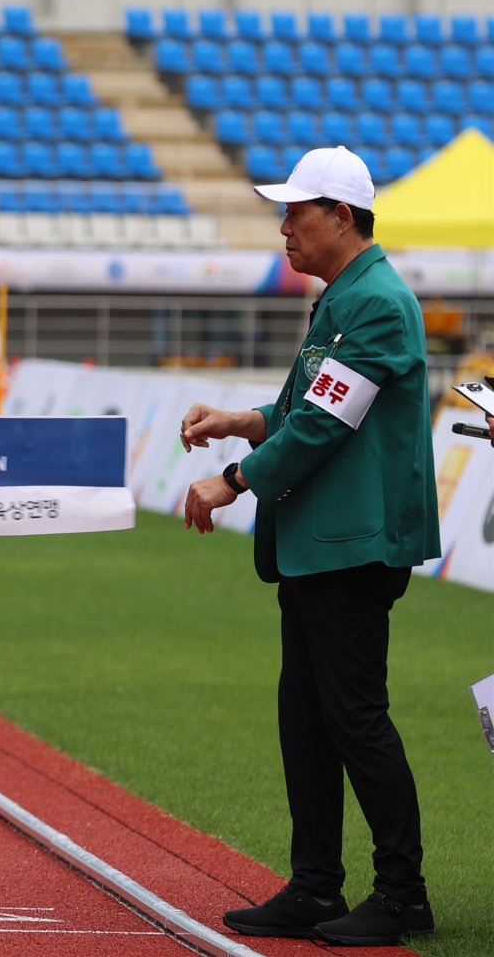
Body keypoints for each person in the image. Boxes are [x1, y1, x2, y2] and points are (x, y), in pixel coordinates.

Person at [179, 146, 440, 947]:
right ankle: (317, 885)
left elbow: (327, 423)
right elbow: (304, 405)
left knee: (354, 719)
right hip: (324, 543)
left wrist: (235, 476)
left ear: (343, 216)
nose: (284, 226)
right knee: (309, 718)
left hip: (352, 546)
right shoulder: (347, 298)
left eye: (297, 211)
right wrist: (242, 420)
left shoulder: (377, 303)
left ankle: (402, 894)